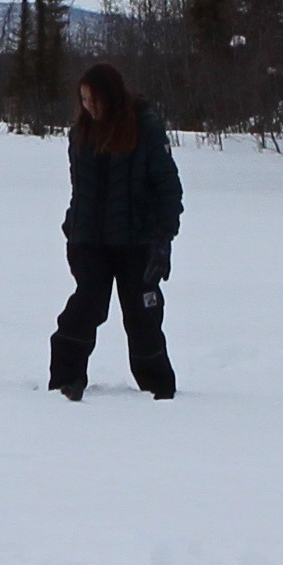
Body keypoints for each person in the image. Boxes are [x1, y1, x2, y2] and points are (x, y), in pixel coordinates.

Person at [48, 62, 183, 401]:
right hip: (89, 240)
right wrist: (73, 226)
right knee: (87, 306)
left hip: (137, 242)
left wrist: (163, 241)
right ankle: (66, 380)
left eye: (94, 99)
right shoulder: (80, 134)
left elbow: (168, 189)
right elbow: (80, 189)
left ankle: (158, 389)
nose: (89, 107)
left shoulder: (146, 128)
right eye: (83, 99)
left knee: (143, 315)